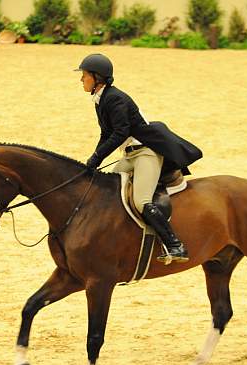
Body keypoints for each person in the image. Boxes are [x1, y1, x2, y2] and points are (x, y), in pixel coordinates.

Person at [76, 53, 202, 263]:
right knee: (108, 193)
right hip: (129, 155)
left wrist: (97, 157)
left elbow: (119, 133)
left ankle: (175, 245)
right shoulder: (101, 99)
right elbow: (105, 134)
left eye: (85, 75)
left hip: (146, 153)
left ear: (97, 78)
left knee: (141, 201)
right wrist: (93, 161)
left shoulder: (115, 98)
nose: (81, 79)